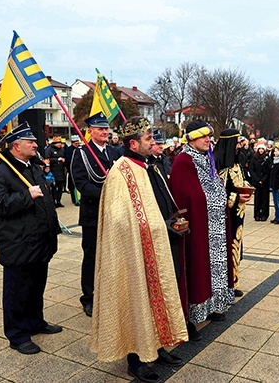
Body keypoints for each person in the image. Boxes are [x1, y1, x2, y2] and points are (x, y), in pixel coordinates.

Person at [90, 117, 187, 383]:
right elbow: (118, 218)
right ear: (133, 143)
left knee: (155, 299)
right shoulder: (120, 171)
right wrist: (147, 229)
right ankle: (136, 360)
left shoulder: (146, 166)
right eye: (148, 139)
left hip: (153, 246)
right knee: (135, 300)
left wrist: (165, 225)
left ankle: (156, 348)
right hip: (132, 252)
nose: (153, 142)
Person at [0, 122, 62, 355]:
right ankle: (17, 334)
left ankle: (36, 321)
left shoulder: (32, 167)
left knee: (37, 286)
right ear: (16, 146)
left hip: (40, 240)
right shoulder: (1, 171)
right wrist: (26, 195)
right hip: (19, 243)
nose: (36, 144)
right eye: (31, 142)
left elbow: (45, 200)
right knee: (18, 290)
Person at [169, 120, 234, 329]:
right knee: (196, 270)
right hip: (197, 229)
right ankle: (191, 316)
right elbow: (183, 197)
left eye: (209, 136)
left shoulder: (208, 158)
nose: (208, 140)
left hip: (215, 227)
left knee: (214, 270)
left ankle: (212, 305)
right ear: (191, 139)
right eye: (202, 136)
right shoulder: (183, 161)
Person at [71, 112, 123, 317]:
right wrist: (105, 193)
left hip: (115, 212)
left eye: (106, 128)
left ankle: (109, 292)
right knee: (91, 256)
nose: (104, 132)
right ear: (90, 131)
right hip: (93, 213)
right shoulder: (82, 153)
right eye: (100, 129)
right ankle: (89, 297)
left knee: (113, 254)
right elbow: (81, 183)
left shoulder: (115, 152)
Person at [214, 128, 252, 298]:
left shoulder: (236, 163)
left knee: (236, 247)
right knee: (227, 248)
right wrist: (237, 198)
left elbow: (239, 181)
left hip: (238, 215)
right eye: (236, 143)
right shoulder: (217, 163)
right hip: (225, 216)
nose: (239, 146)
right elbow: (218, 192)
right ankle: (226, 283)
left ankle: (235, 280)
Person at [248, 142, 270, 221]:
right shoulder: (254, 159)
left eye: (262, 149)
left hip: (265, 182)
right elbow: (251, 170)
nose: (261, 150)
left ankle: (264, 214)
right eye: (259, 149)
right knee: (257, 199)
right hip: (256, 182)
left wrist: (263, 180)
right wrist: (257, 179)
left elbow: (268, 171)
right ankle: (257, 214)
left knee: (264, 199)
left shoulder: (267, 159)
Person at [44, 137, 66, 207]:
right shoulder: (49, 150)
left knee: (60, 187)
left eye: (60, 143)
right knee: (54, 188)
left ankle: (59, 201)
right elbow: (47, 159)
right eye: (58, 143)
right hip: (53, 171)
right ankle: (53, 202)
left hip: (61, 171)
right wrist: (57, 159)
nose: (59, 144)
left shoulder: (62, 150)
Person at [65, 135, 81, 205]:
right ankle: (74, 199)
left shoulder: (80, 149)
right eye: (75, 143)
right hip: (72, 169)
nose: (77, 144)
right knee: (72, 185)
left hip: (79, 169)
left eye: (78, 143)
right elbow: (68, 160)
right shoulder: (68, 150)